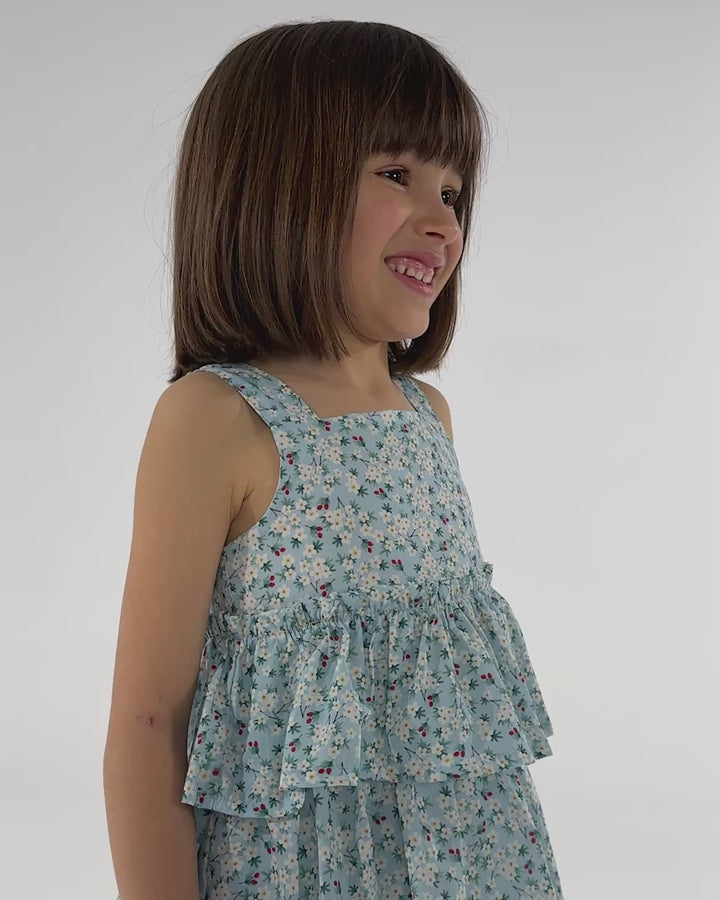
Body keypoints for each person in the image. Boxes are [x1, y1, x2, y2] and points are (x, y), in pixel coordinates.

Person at [103, 19, 564, 900]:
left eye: (453, 191)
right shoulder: (218, 418)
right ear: (276, 188)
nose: (443, 222)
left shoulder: (427, 416)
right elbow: (148, 726)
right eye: (396, 175)